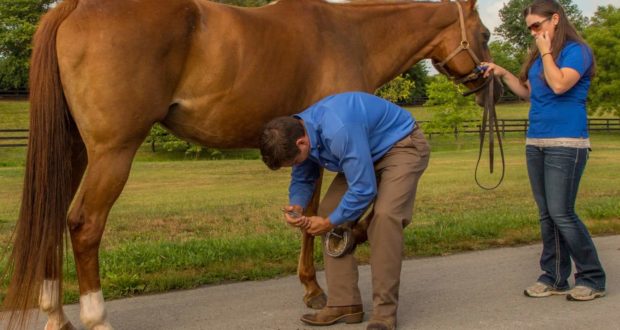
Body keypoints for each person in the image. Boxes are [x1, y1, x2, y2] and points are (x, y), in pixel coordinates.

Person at [259, 91, 430, 330]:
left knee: (384, 219)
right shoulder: (298, 130)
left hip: (402, 146)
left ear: (301, 142)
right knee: (329, 210)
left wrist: (329, 223)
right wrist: (296, 204)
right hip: (365, 151)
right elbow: (303, 175)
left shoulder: (337, 129)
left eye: (294, 161)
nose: (296, 166)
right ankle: (344, 304)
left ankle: (384, 313)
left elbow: (363, 189)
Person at [481, 0, 605, 301]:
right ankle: (554, 276)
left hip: (567, 142)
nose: (533, 32)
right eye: (530, 29)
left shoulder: (577, 52)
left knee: (562, 212)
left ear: (555, 19)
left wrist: (547, 51)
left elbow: (561, 84)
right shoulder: (539, 58)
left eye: (537, 25)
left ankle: (591, 276)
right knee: (547, 214)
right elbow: (529, 93)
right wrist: (502, 72)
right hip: (536, 141)